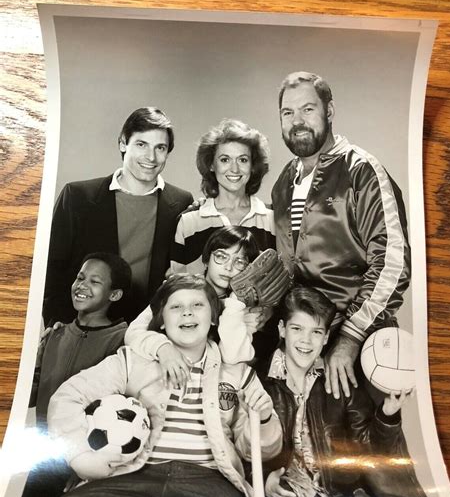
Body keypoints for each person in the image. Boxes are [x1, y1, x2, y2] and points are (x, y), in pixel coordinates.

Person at [44, 274, 282, 497]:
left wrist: (264, 420)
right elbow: (67, 397)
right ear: (161, 321)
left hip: (209, 482)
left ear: (213, 319)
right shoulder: (131, 362)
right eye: (176, 307)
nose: (187, 313)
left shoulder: (238, 374)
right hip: (131, 476)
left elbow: (255, 453)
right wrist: (79, 456)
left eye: (198, 305)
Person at [272, 72, 411, 399]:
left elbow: (393, 264)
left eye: (308, 109)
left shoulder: (361, 170)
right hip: (304, 348)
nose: (297, 121)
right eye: (287, 113)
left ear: (329, 111)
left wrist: (350, 336)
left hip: (357, 348)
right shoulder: (283, 182)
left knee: (365, 446)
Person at [260, 287, 434, 497]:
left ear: (326, 339)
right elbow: (240, 442)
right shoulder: (260, 380)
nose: (306, 340)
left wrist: (387, 414)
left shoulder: (340, 381)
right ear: (282, 330)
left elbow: (368, 447)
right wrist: (264, 479)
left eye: (316, 332)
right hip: (288, 495)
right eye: (297, 329)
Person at [43, 107, 193, 326]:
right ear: (123, 143)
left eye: (160, 147)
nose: (151, 157)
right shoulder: (78, 197)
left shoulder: (181, 202)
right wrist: (56, 324)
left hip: (146, 329)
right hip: (82, 326)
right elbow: (51, 268)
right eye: (141, 144)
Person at [19, 252, 132, 497]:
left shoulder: (121, 341)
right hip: (42, 452)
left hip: (83, 458)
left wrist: (84, 465)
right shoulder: (56, 334)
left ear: (114, 295)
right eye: (80, 277)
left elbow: (116, 412)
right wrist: (33, 361)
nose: (82, 285)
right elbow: (33, 395)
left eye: (95, 281)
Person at [125, 226, 278, 387]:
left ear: (249, 269)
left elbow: (233, 358)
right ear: (206, 259)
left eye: (239, 262)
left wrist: (236, 305)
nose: (228, 267)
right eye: (221, 256)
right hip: (156, 379)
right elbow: (133, 333)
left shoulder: (240, 309)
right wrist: (163, 348)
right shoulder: (177, 288)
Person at [169, 118, 275, 275]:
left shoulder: (271, 219)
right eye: (225, 160)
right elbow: (176, 285)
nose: (234, 168)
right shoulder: (189, 222)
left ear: (253, 166)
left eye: (243, 160)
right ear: (211, 165)